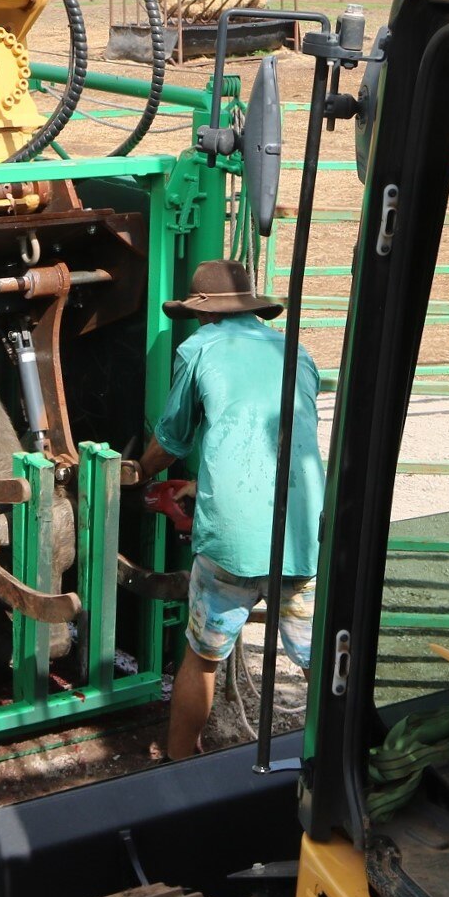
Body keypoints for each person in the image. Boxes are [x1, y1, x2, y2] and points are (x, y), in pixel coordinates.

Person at [137, 258, 324, 762]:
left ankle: (179, 762)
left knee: (201, 657)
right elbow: (283, 439)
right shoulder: (297, 352)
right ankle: (339, 759)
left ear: (203, 313)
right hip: (301, 536)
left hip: (231, 543)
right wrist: (204, 484)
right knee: (321, 663)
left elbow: (172, 439)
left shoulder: (199, 348)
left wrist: (137, 472)